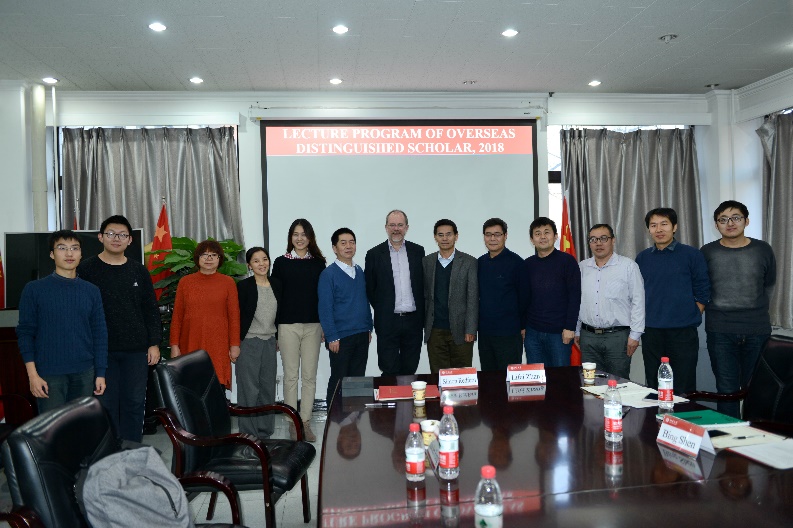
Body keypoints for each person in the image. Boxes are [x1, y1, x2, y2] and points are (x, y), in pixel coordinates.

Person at [78, 215, 161, 442]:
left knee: (134, 402)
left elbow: (150, 309)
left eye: (122, 235)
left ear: (130, 240)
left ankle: (131, 450)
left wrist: (154, 343)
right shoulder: (86, 270)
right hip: (101, 351)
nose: (116, 238)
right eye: (111, 234)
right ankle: (110, 453)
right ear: (100, 237)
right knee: (105, 404)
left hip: (136, 350)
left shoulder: (138, 271)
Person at [17, 230, 108, 413]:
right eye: (62, 248)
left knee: (81, 425)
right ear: (52, 254)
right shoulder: (34, 289)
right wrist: (32, 375)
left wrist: (100, 373)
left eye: (74, 248)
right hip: (49, 374)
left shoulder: (91, 291)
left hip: (84, 373)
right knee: (53, 428)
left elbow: (99, 333)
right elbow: (25, 333)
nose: (69, 253)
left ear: (81, 254)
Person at [701, 200, 776, 417]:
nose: (730, 223)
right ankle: (730, 436)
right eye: (723, 219)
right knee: (726, 390)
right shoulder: (707, 251)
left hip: (757, 330)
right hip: (720, 330)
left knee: (758, 390)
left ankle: (755, 435)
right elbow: (702, 287)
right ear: (716, 225)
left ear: (746, 221)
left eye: (736, 218)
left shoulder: (763, 249)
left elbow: (769, 285)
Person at [635, 208, 710, 394]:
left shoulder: (692, 254)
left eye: (664, 224)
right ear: (649, 230)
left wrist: (694, 312)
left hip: (682, 331)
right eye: (653, 225)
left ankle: (683, 414)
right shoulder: (642, 257)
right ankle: (657, 414)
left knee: (683, 385)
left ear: (674, 227)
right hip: (651, 331)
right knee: (655, 384)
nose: (659, 229)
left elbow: (703, 289)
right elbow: (637, 292)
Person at [271, 219, 326, 442]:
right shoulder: (281, 262)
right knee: (291, 376)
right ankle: (292, 423)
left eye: (304, 234)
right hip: (287, 326)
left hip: (313, 326)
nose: (300, 238)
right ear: (290, 237)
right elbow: (275, 297)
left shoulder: (319, 264)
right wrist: (276, 330)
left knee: (309, 376)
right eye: (296, 234)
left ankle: (305, 422)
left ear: (310, 237)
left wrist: (324, 326)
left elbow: (323, 298)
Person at [575, 224, 645, 379]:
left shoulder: (628, 266)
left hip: (618, 337)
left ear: (613, 240)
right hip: (588, 337)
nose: (598, 243)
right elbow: (578, 302)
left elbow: (638, 302)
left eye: (603, 238)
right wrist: (577, 330)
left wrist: (635, 335)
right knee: (591, 383)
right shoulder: (582, 268)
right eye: (593, 239)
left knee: (618, 383)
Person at [170, 240, 240, 389]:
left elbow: (234, 317)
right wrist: (174, 345)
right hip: (190, 343)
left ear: (219, 259)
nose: (209, 258)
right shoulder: (185, 282)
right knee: (192, 388)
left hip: (218, 345)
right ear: (197, 258)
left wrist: (234, 345)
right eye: (204, 255)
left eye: (213, 255)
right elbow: (177, 316)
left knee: (216, 388)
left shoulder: (228, 283)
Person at [364, 210, 425, 376]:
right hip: (387, 321)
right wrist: (383, 307)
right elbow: (370, 288)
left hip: (413, 321)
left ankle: (407, 394)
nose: (396, 229)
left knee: (410, 368)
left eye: (400, 225)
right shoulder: (374, 254)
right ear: (386, 227)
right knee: (389, 369)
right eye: (392, 225)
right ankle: (391, 394)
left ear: (406, 227)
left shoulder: (418, 251)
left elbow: (422, 285)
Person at [319, 228, 373, 404]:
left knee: (357, 380)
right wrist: (332, 336)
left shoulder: (359, 271)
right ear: (335, 248)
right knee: (339, 379)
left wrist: (368, 327)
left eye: (352, 242)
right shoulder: (328, 274)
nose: (348, 246)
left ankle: (355, 416)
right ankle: (333, 417)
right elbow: (325, 308)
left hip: (361, 334)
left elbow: (364, 301)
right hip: (340, 338)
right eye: (343, 243)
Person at [519, 217, 581, 367]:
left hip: (559, 333)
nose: (542, 237)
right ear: (532, 239)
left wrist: (570, 327)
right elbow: (523, 298)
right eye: (537, 233)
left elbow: (575, 296)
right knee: (536, 376)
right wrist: (523, 326)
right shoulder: (527, 264)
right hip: (532, 333)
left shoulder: (567, 261)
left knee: (560, 377)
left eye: (547, 232)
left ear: (555, 236)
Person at [236, 247, 283, 440]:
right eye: (256, 261)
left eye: (264, 259)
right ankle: (248, 435)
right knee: (249, 390)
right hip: (248, 342)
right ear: (249, 265)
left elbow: (280, 314)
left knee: (267, 388)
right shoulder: (243, 286)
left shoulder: (277, 284)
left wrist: (277, 337)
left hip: (269, 342)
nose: (261, 264)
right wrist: (234, 343)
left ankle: (265, 433)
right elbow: (236, 317)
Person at [421, 219, 478, 372]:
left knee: (462, 376)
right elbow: (425, 295)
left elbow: (473, 298)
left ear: (456, 236)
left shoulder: (469, 262)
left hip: (461, 331)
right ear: (435, 237)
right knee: (438, 375)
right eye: (440, 235)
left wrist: (471, 329)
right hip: (435, 331)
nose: (445, 238)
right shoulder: (427, 262)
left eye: (449, 234)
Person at [477, 218, 524, 371]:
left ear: (505, 236)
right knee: (488, 377)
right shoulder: (480, 263)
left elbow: (524, 298)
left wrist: (523, 326)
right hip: (485, 333)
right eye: (488, 234)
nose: (492, 238)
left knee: (508, 378)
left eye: (497, 234)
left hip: (509, 333)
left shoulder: (517, 263)